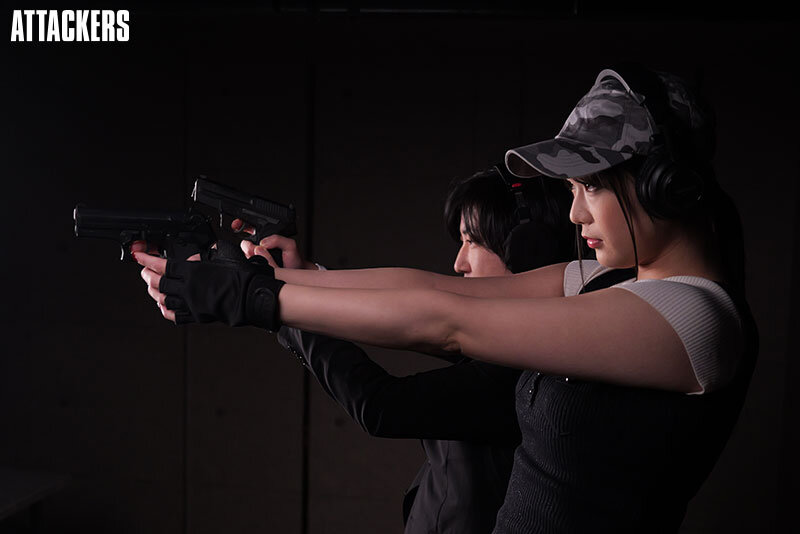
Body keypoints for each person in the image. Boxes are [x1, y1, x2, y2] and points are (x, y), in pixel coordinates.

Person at [135, 64, 758, 532]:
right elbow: (433, 289)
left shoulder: (696, 319)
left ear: (663, 184)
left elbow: (448, 322)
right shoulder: (603, 279)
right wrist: (283, 279)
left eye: (591, 188)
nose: (575, 213)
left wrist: (253, 299)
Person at [264, 167, 573, 534]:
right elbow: (406, 313)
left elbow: (381, 406)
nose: (459, 263)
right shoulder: (514, 346)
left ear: (528, 249)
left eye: (472, 241)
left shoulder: (524, 363)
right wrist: (301, 281)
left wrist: (280, 303)